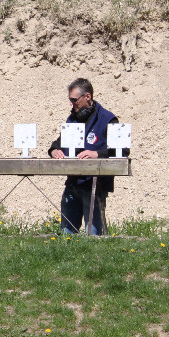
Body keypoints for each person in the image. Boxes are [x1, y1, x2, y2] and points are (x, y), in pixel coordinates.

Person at [48, 78, 128, 235]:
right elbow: (59, 142)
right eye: (70, 100)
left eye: (74, 100)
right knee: (66, 234)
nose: (72, 104)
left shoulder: (108, 119)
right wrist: (54, 151)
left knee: (94, 235)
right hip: (73, 183)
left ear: (88, 97)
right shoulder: (72, 119)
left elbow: (122, 151)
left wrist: (97, 154)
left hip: (95, 185)